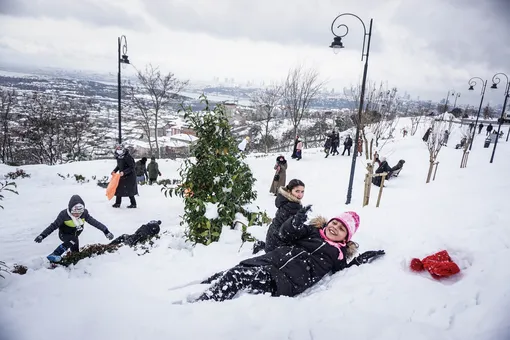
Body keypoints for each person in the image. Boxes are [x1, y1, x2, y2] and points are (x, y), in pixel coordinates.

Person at [193, 207, 385, 302]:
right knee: (230, 272)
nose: (335, 227)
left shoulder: (338, 255)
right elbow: (285, 234)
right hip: (269, 261)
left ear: (346, 237)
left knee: (237, 276)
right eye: (335, 223)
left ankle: (203, 305)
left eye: (342, 228)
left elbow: (344, 271)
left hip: (284, 280)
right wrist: (295, 221)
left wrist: (360, 260)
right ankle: (196, 290)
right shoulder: (311, 231)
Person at [34, 195, 114, 263]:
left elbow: (95, 222)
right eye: (74, 212)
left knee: (76, 253)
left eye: (80, 212)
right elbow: (53, 226)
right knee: (73, 239)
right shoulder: (64, 215)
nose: (77, 215)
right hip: (64, 235)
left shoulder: (84, 214)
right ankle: (55, 254)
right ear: (70, 208)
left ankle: (71, 262)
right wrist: (42, 235)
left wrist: (106, 231)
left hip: (75, 236)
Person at [264, 179, 305, 253]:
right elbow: (291, 230)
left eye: (302, 192)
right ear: (289, 191)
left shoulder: (284, 200)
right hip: (277, 245)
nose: (300, 195)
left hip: (271, 239)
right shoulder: (293, 206)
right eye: (297, 191)